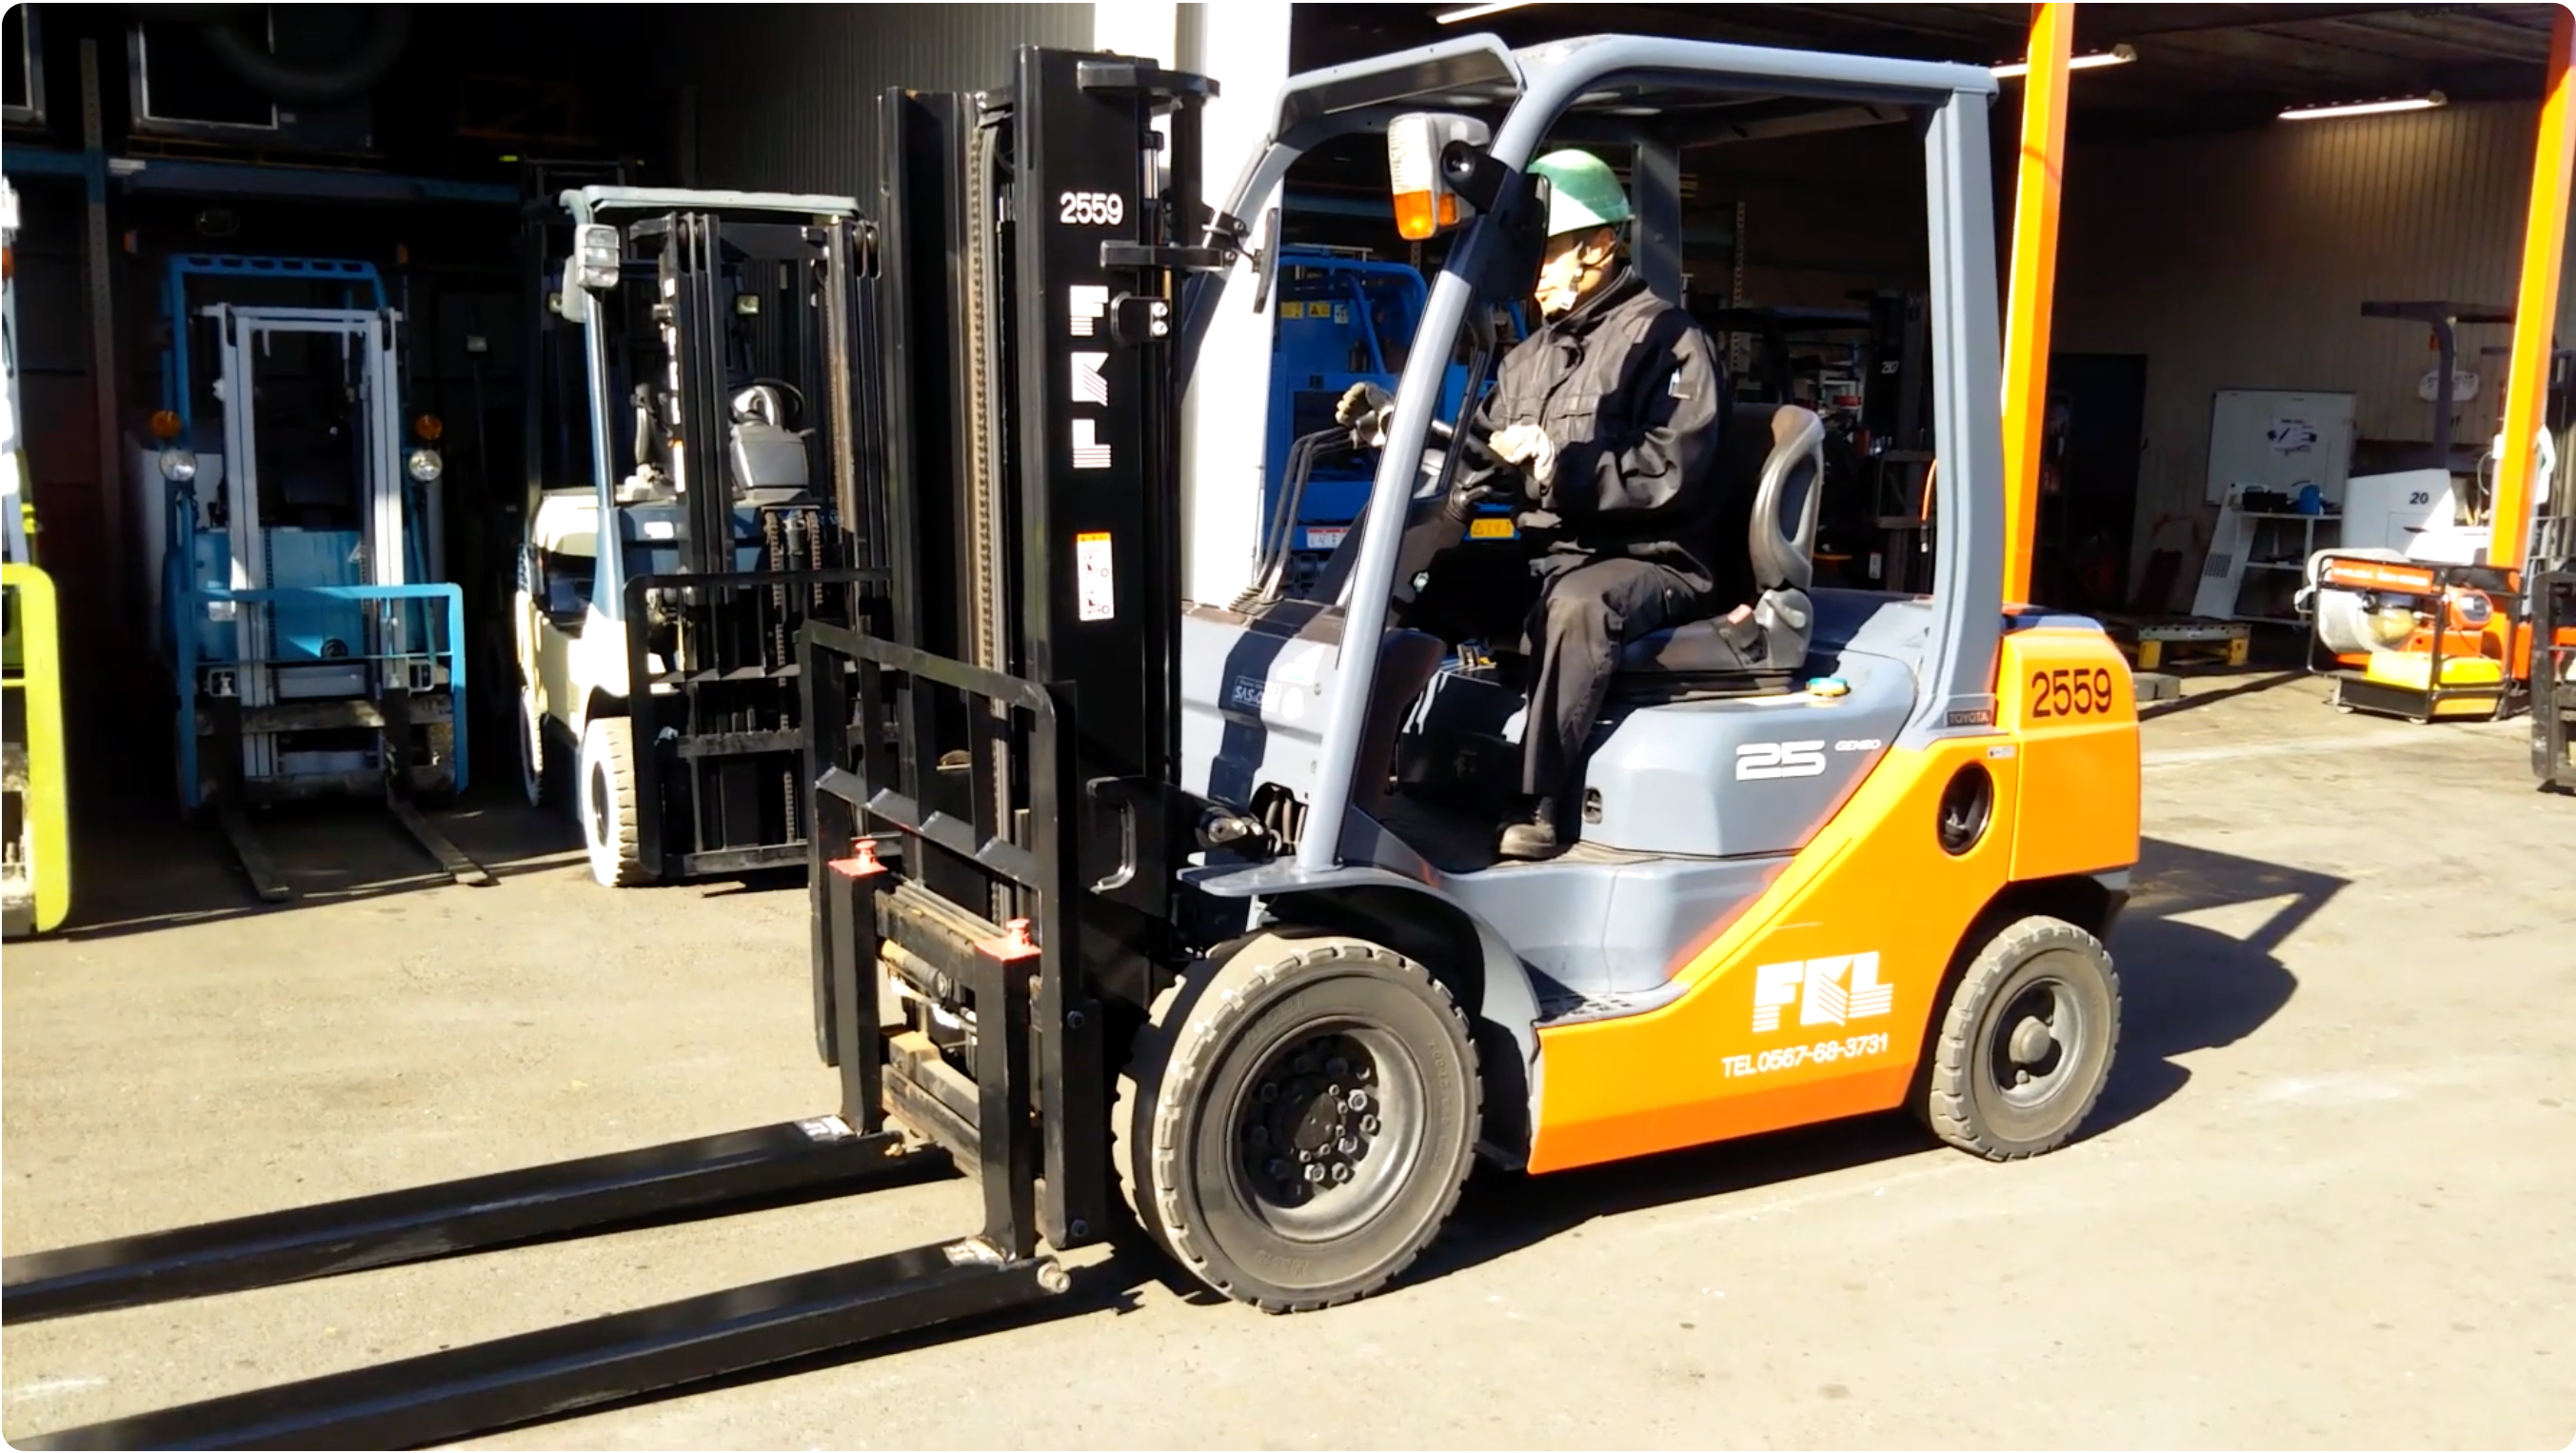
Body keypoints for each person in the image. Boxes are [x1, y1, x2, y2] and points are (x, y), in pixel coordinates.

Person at [1340, 149, 1730, 860]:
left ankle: (1539, 802)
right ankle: (1359, 769)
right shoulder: (1531, 356)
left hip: (1653, 559)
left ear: (1600, 247)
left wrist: (1562, 468)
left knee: (1577, 607)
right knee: (1433, 581)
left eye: (1547, 253)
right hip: (1555, 554)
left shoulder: (1672, 343)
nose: (1534, 273)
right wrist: (1401, 429)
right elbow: (1481, 451)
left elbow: (1671, 472)